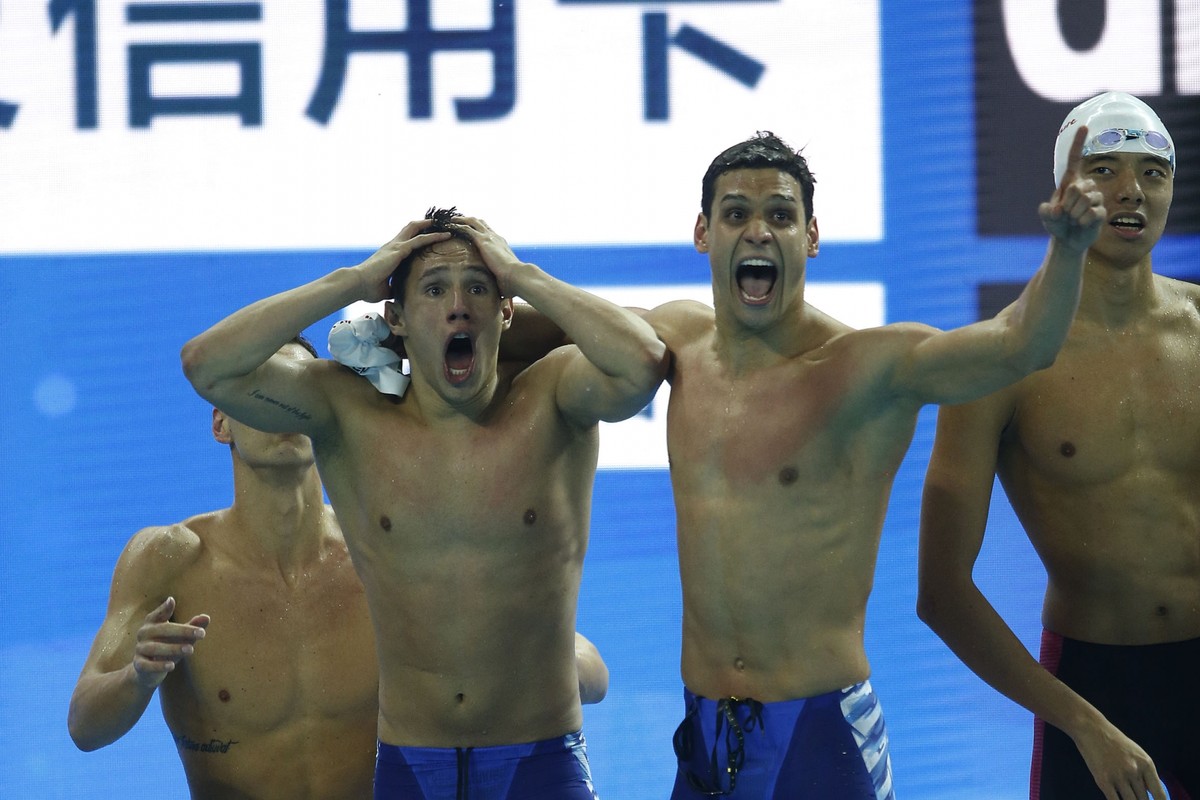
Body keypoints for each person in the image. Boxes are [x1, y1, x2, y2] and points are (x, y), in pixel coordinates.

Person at [633, 128, 1105, 798]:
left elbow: (1018, 346)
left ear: (812, 236)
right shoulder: (678, 341)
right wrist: (498, 283)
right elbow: (562, 327)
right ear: (703, 233)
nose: (759, 231)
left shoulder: (869, 369)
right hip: (705, 738)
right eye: (737, 213)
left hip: (819, 734)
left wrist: (1067, 250)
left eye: (781, 215)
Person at [180, 210, 666, 799]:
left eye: (478, 290)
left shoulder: (555, 396)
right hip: (414, 764)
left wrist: (522, 274)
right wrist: (355, 281)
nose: (457, 307)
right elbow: (207, 365)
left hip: (539, 757)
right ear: (399, 321)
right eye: (435, 290)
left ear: (505, 312)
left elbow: (642, 358)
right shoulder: (349, 416)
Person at [918, 92, 1195, 800]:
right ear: (1063, 189)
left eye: (1152, 172)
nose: (1132, 190)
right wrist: (1083, 724)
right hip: (1091, 684)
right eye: (1104, 168)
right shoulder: (997, 362)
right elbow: (941, 593)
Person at [69, 337, 380, 799]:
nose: (284, 407)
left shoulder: (378, 551)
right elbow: (85, 727)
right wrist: (136, 677)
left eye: (301, 393)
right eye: (261, 392)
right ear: (221, 422)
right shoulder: (171, 558)